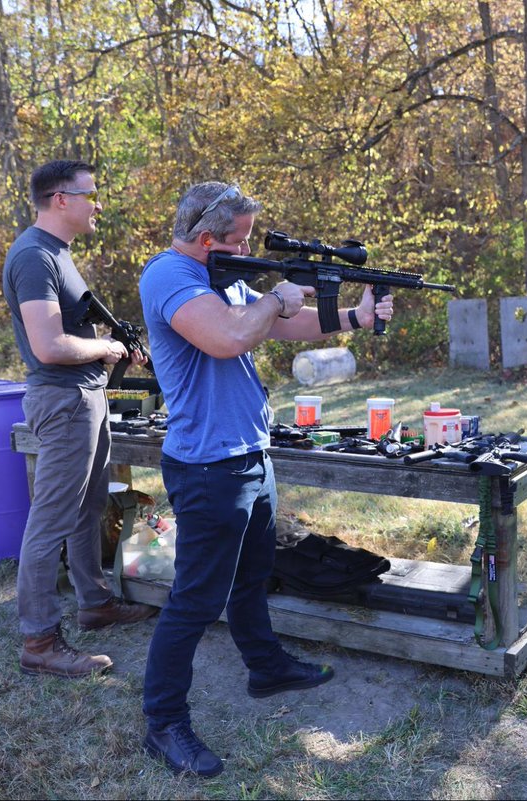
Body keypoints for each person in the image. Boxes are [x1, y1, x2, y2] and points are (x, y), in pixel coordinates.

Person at [138, 181, 394, 777]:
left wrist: (354, 315)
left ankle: (266, 667)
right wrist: (274, 300)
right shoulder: (170, 277)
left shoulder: (225, 276)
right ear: (207, 238)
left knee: (253, 577)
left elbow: (281, 325)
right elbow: (231, 337)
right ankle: (164, 723)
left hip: (251, 455)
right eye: (241, 239)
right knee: (194, 602)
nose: (248, 248)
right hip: (207, 465)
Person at [2, 160, 159, 679]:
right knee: (50, 520)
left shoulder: (58, 255)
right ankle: (40, 642)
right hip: (64, 401)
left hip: (85, 396)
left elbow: (71, 334)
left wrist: (109, 352)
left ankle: (95, 603)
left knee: (91, 505)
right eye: (91, 194)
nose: (98, 204)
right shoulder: (32, 257)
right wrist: (107, 346)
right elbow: (48, 346)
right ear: (61, 198)